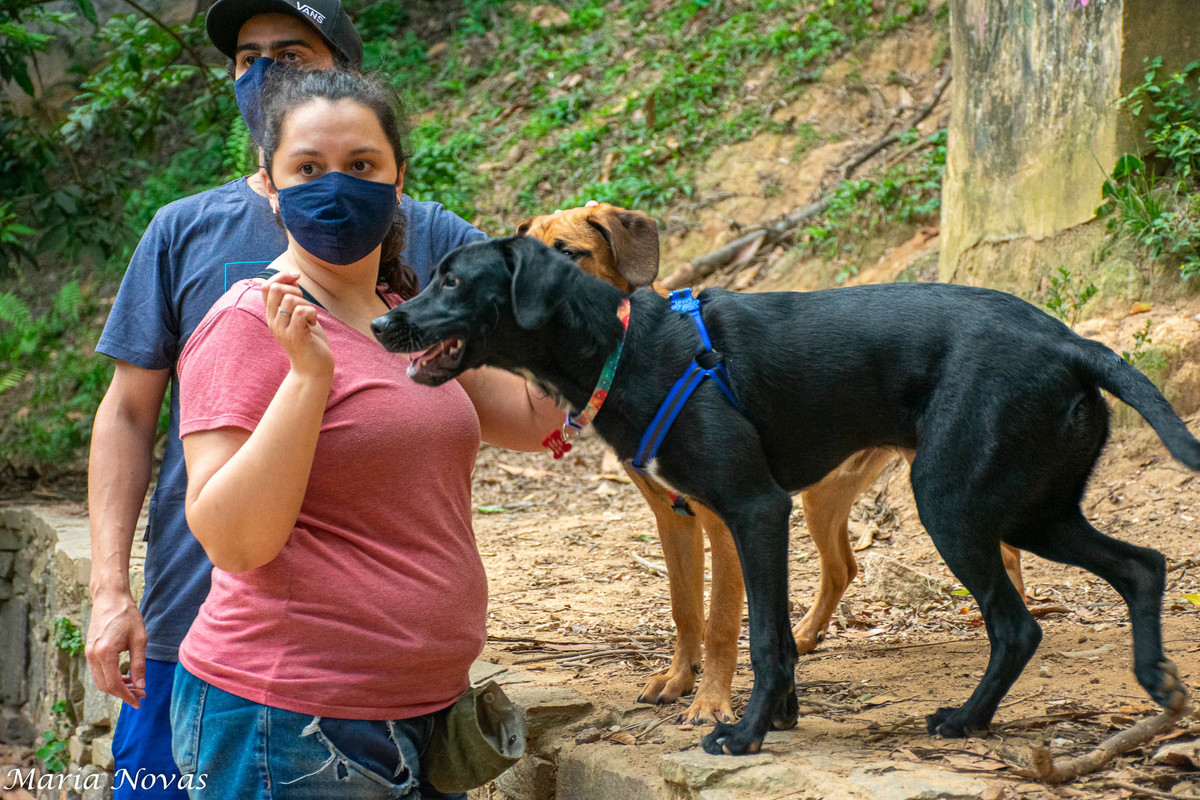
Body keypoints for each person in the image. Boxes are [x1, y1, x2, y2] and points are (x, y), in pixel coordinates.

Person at [85, 2, 485, 796]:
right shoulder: (184, 230)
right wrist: (108, 590)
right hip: (215, 633)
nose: (265, 74)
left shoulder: (426, 237)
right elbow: (128, 414)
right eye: (248, 58)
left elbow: (525, 370)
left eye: (291, 55)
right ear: (272, 178)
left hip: (388, 687)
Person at [170, 67, 559, 799]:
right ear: (271, 185)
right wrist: (306, 379)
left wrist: (565, 295)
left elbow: (537, 420)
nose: (336, 186)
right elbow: (233, 540)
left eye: (361, 166)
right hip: (287, 723)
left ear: (398, 178)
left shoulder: (406, 319)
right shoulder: (250, 323)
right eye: (308, 168)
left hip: (418, 713)